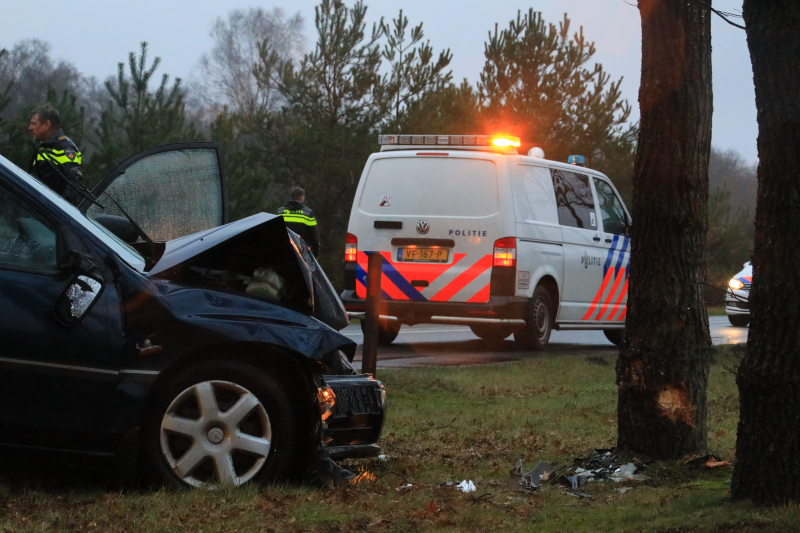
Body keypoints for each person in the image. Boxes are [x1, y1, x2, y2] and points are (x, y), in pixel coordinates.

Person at [28, 104, 85, 205]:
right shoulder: (44, 146)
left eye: (34, 123)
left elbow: (74, 182)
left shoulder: (65, 147)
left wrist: (61, 207)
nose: (30, 128)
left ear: (46, 125)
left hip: (50, 211)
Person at [277, 186, 320, 256]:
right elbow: (314, 236)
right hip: (302, 253)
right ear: (301, 198)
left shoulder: (280, 212)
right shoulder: (308, 213)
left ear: (291, 197)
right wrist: (316, 254)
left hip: (284, 251)